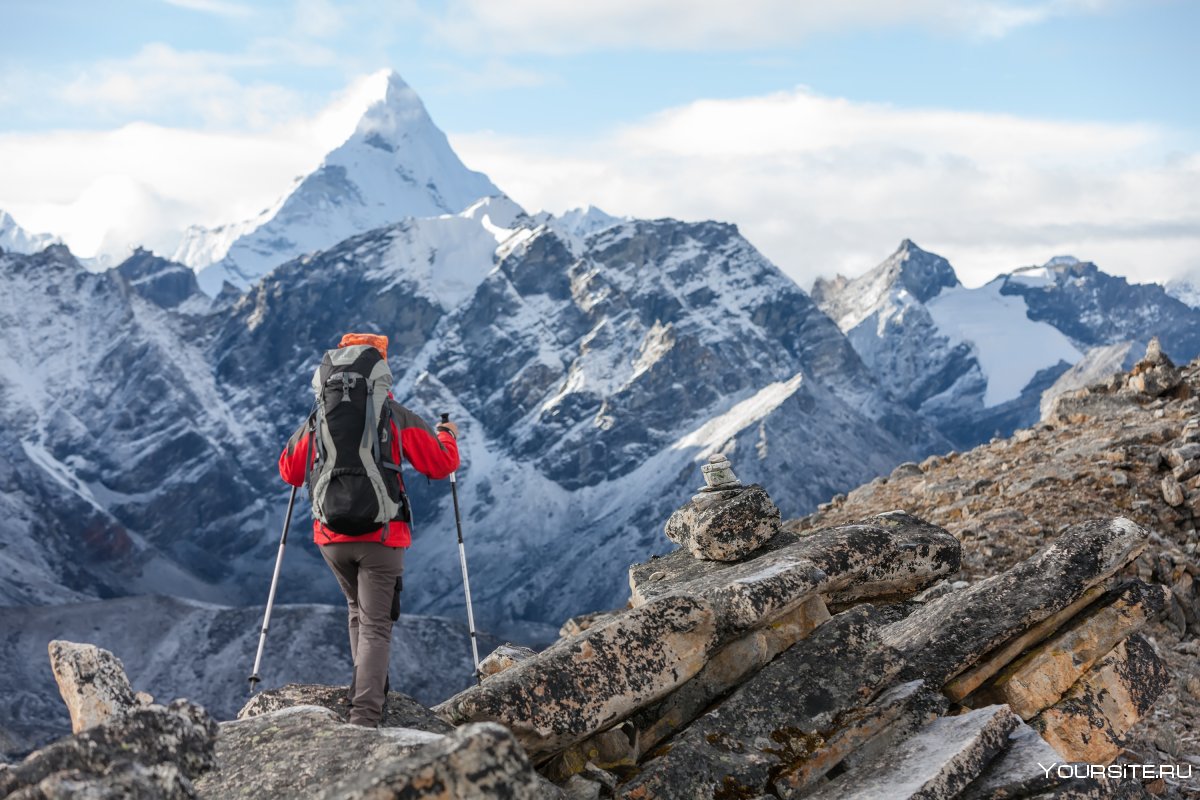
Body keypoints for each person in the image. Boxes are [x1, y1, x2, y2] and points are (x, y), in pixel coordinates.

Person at [278, 332, 459, 727]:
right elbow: (440, 465)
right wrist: (447, 436)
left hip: (330, 538)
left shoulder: (318, 418)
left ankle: (367, 691)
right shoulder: (394, 416)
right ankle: (365, 716)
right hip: (381, 536)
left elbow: (289, 470)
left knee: (356, 612)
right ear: (380, 371)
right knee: (376, 624)